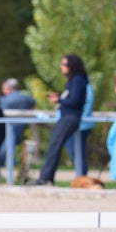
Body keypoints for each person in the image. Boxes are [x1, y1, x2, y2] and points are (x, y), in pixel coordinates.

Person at [33, 54, 88, 186]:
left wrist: (59, 100)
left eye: (64, 64)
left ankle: (45, 178)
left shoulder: (78, 80)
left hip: (70, 117)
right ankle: (47, 177)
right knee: (54, 146)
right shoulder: (73, 81)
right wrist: (60, 99)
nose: (61, 67)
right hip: (67, 116)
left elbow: (75, 101)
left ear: (71, 66)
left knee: (54, 146)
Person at [0, 78, 36, 167]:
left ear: (9, 88)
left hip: (10, 126)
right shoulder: (26, 97)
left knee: (7, 146)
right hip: (23, 125)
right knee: (12, 145)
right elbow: (33, 103)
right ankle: (10, 163)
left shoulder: (6, 99)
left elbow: (0, 111)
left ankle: (9, 164)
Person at [63, 77, 94, 176]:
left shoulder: (83, 85)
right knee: (75, 151)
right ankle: (81, 175)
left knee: (77, 152)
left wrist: (76, 119)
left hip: (80, 125)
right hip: (70, 123)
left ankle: (82, 176)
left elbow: (87, 105)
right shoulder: (72, 85)